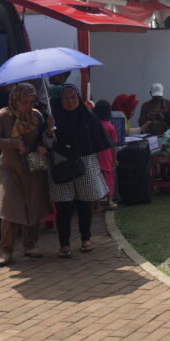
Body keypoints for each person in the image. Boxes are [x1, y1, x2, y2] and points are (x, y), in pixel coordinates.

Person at [0, 83, 52, 267]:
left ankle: (30, 245)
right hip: (10, 167)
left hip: (33, 165)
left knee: (34, 205)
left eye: (30, 101)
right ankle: (6, 250)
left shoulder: (37, 115)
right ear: (15, 100)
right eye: (23, 101)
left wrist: (44, 141)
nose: (27, 105)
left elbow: (43, 138)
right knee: (9, 208)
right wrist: (14, 144)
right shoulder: (2, 116)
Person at [49, 84, 111, 258]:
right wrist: (49, 129)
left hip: (85, 164)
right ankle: (64, 244)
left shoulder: (88, 117)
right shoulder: (53, 118)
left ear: (78, 99)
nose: (69, 101)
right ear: (60, 100)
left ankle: (86, 238)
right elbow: (47, 143)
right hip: (61, 165)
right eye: (65, 98)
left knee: (84, 204)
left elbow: (98, 140)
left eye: (73, 97)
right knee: (63, 207)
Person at [92, 100, 119, 212]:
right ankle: (109, 200)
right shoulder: (110, 126)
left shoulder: (93, 126)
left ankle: (97, 204)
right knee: (109, 177)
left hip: (95, 154)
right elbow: (113, 144)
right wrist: (115, 159)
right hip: (107, 155)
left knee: (96, 178)